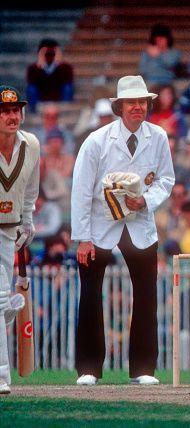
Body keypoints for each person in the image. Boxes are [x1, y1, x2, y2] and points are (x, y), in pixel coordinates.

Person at [71, 75, 175, 386]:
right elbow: (81, 190)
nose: (137, 108)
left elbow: (166, 180)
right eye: (131, 102)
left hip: (140, 225)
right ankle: (89, 368)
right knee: (90, 294)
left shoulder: (158, 137)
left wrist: (146, 200)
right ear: (119, 107)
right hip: (100, 225)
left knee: (146, 295)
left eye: (142, 102)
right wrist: (83, 238)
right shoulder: (97, 140)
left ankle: (143, 369)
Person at [0, 84, 41, 394]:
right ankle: (2, 377)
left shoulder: (32, 145)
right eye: (4, 112)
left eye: (15, 110)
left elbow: (29, 189)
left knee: (1, 300)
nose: (11, 116)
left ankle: (10, 309)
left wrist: (28, 220)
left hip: (9, 230)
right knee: (0, 298)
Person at [26, 38, 74, 113]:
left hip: (58, 96)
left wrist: (58, 65)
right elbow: (31, 82)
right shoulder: (33, 68)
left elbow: (68, 81)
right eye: (47, 53)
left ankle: (65, 110)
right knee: (31, 88)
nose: (49, 56)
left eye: (52, 53)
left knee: (67, 87)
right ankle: (34, 112)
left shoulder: (66, 67)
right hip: (41, 97)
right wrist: (40, 67)